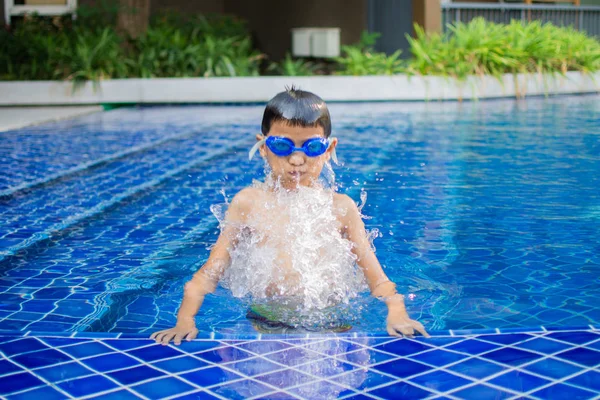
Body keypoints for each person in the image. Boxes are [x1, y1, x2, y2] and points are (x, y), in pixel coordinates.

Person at [151, 87, 430, 345]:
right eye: (283, 146)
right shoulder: (247, 203)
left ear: (329, 149)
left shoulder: (342, 207)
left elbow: (378, 280)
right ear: (263, 146)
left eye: (312, 148)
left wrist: (396, 312)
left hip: (335, 320)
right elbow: (209, 274)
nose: (297, 160)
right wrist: (184, 320)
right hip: (265, 318)